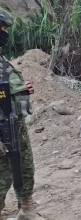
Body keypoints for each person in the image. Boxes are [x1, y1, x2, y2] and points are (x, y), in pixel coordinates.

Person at [0, 10, 44, 220]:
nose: (5, 33)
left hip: (15, 123)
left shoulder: (1, 58)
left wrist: (21, 90)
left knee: (24, 167)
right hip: (2, 128)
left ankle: (26, 209)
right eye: (2, 29)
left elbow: (6, 89)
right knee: (4, 172)